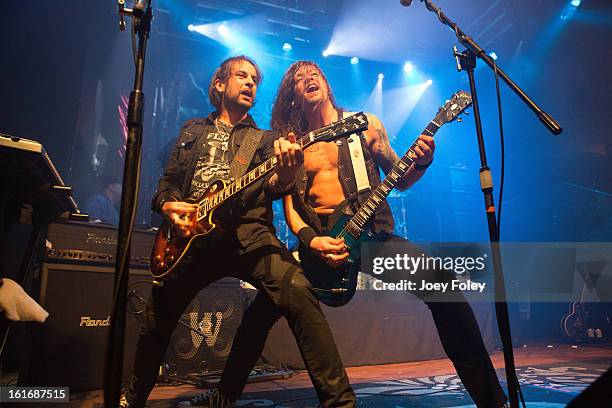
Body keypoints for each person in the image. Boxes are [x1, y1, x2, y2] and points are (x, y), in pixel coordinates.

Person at [250, 60, 508, 407]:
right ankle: (224, 394)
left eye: (314, 73)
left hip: (371, 238)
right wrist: (311, 239)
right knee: (262, 307)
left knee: (443, 288)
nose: (308, 78)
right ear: (294, 97)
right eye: (298, 78)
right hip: (317, 247)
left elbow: (400, 179)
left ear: (326, 84)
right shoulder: (295, 145)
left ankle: (493, 401)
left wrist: (422, 160)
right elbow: (291, 210)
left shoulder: (365, 125)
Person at [121, 56, 355, 408]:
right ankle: (133, 398)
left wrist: (289, 172)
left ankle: (340, 402)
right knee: (158, 316)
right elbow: (166, 184)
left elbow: (278, 184)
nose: (249, 83)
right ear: (219, 85)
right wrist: (170, 207)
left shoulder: (264, 139)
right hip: (188, 240)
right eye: (241, 76)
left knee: (296, 288)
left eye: (255, 80)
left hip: (250, 233)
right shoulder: (191, 132)